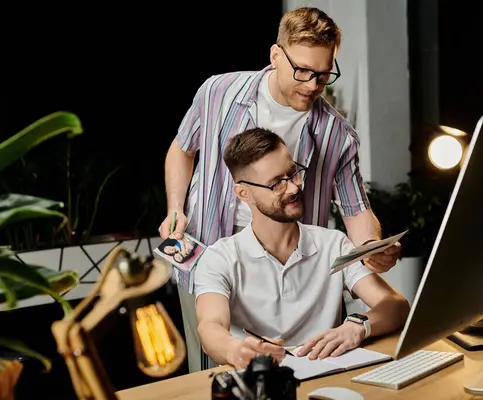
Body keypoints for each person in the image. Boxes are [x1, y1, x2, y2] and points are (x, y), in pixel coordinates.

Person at [158, 6, 402, 372]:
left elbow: (355, 209)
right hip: (210, 252)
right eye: (302, 71)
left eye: (323, 75)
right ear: (276, 55)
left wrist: (370, 249)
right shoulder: (218, 92)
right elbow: (182, 148)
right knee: (216, 368)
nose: (312, 85)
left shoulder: (336, 134)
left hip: (298, 264)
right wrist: (176, 209)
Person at [194, 128, 410, 369]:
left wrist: (358, 326)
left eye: (293, 174)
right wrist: (235, 350)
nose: (293, 188)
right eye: (276, 184)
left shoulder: (333, 245)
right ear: (244, 193)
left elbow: (395, 305)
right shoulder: (219, 258)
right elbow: (210, 327)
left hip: (331, 376)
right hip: (263, 382)